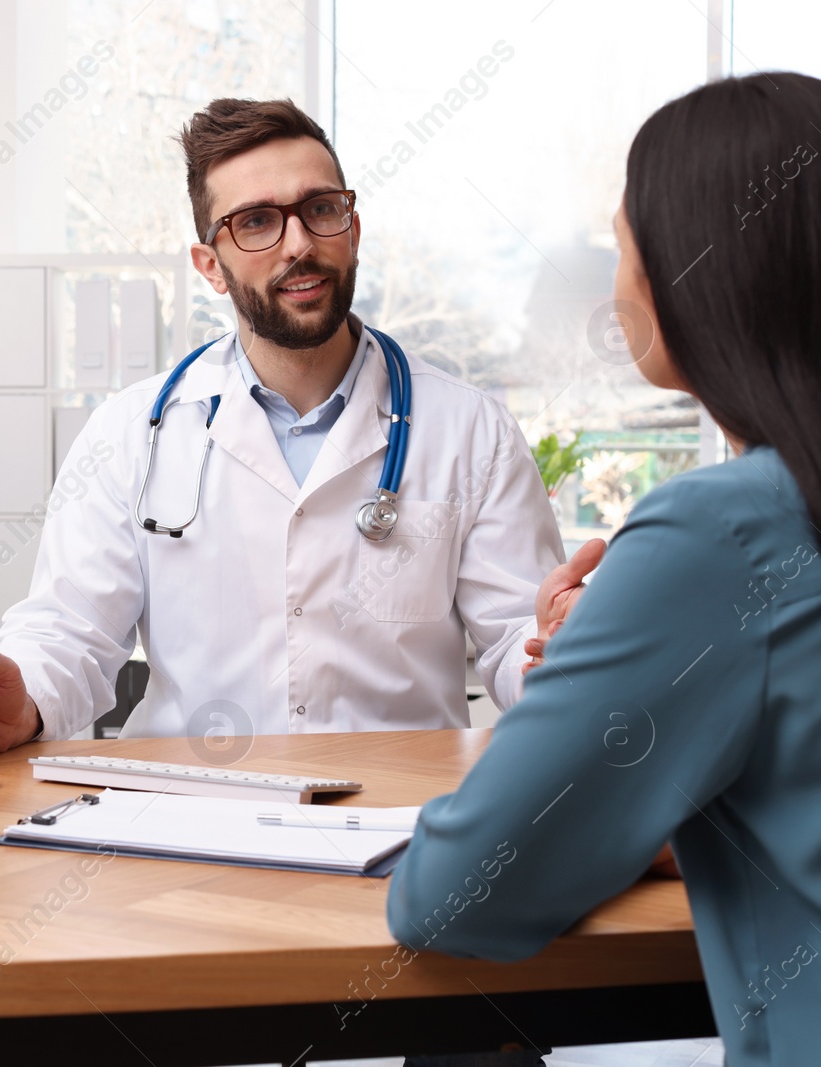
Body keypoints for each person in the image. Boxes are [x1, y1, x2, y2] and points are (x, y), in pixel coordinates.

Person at [387, 72, 821, 1067]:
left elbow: (453, 892)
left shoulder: (721, 530)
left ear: (700, 276)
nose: (614, 284)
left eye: (624, 247)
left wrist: (614, 676)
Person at [0, 97, 575, 754]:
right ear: (210, 265)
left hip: (394, 821)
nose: (299, 244)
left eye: (320, 209)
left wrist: (559, 658)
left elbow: (518, 635)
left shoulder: (471, 431)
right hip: (188, 813)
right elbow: (71, 634)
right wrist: (20, 705)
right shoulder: (128, 435)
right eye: (257, 222)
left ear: (351, 228)